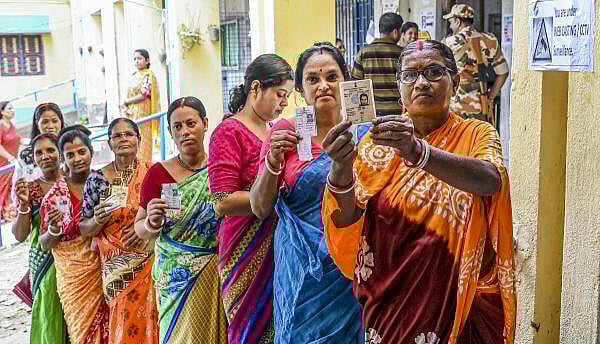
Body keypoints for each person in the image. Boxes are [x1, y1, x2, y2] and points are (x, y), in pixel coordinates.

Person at [321, 40, 516, 343]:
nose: (422, 83)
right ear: (399, 87)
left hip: (455, 306)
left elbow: (491, 180)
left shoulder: (477, 134)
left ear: (455, 82)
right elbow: (347, 219)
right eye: (410, 75)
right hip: (390, 306)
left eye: (434, 72)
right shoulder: (378, 145)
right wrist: (340, 168)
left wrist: (418, 153)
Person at [249, 42, 363, 344]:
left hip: (350, 266)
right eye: (313, 79)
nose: (323, 85)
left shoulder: (363, 132)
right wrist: (273, 162)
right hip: (300, 263)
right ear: (300, 88)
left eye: (331, 77)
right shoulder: (287, 132)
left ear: (345, 81)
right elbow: (260, 207)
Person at [208, 53, 293, 344]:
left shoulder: (276, 132)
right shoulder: (228, 131)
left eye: (288, 97)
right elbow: (221, 199)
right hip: (245, 246)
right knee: (250, 330)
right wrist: (269, 196)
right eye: (279, 94)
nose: (284, 103)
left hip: (280, 244)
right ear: (255, 89)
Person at [135, 96, 227, 344]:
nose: (185, 132)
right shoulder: (158, 173)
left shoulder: (221, 168)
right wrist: (152, 223)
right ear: (170, 132)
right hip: (174, 278)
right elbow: (140, 227)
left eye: (191, 123)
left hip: (214, 269)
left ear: (205, 123)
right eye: (177, 127)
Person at [79, 118, 158, 344]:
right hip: (117, 269)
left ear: (138, 139)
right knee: (124, 320)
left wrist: (148, 229)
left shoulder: (154, 173)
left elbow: (170, 213)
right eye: (117, 136)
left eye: (129, 134)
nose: (123, 139)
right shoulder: (98, 180)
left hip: (150, 260)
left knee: (154, 316)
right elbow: (85, 228)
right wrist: (97, 219)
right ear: (110, 143)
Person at [40, 125, 109, 344]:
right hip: (74, 278)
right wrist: (53, 229)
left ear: (91, 152)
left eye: (82, 152)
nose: (77, 158)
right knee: (83, 333)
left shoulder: (104, 183)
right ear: (63, 158)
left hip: (107, 267)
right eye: (70, 154)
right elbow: (44, 243)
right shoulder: (54, 196)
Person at [12, 133, 68, 344]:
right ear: (33, 158)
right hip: (45, 263)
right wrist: (24, 206)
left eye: (50, 150)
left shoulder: (74, 181)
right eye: (39, 153)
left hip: (76, 262)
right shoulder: (31, 188)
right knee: (49, 316)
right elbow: (19, 235)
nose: (45, 156)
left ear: (60, 153)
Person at [442, 4, 509, 122]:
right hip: (480, 107)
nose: (451, 26)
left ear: (458, 21)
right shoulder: (490, 40)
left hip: (455, 108)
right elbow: (503, 72)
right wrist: (490, 98)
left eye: (451, 22)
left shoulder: (448, 43)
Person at [12, 103, 66, 205]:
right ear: (37, 123)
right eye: (45, 122)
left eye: (55, 121)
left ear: (61, 122)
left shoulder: (69, 149)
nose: (50, 126)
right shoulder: (26, 156)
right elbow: (18, 192)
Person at [352, 12, 404, 117]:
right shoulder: (402, 53)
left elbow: (355, 83)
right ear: (395, 32)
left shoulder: (364, 52)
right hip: (397, 111)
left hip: (371, 112)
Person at [121, 48, 160, 162]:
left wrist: (127, 102)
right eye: (134, 59)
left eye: (139, 58)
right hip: (132, 115)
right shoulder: (134, 76)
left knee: (143, 143)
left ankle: (144, 171)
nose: (136, 61)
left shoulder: (148, 75)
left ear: (147, 61)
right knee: (132, 142)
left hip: (144, 115)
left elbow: (144, 94)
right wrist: (125, 106)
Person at [0, 101, 23, 223]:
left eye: (13, 108)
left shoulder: (13, 126)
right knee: (2, 188)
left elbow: (18, 141)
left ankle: (8, 212)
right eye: (9, 108)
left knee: (11, 187)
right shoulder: (1, 126)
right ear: (2, 112)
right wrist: (9, 157)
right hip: (3, 163)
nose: (12, 110)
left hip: (13, 163)